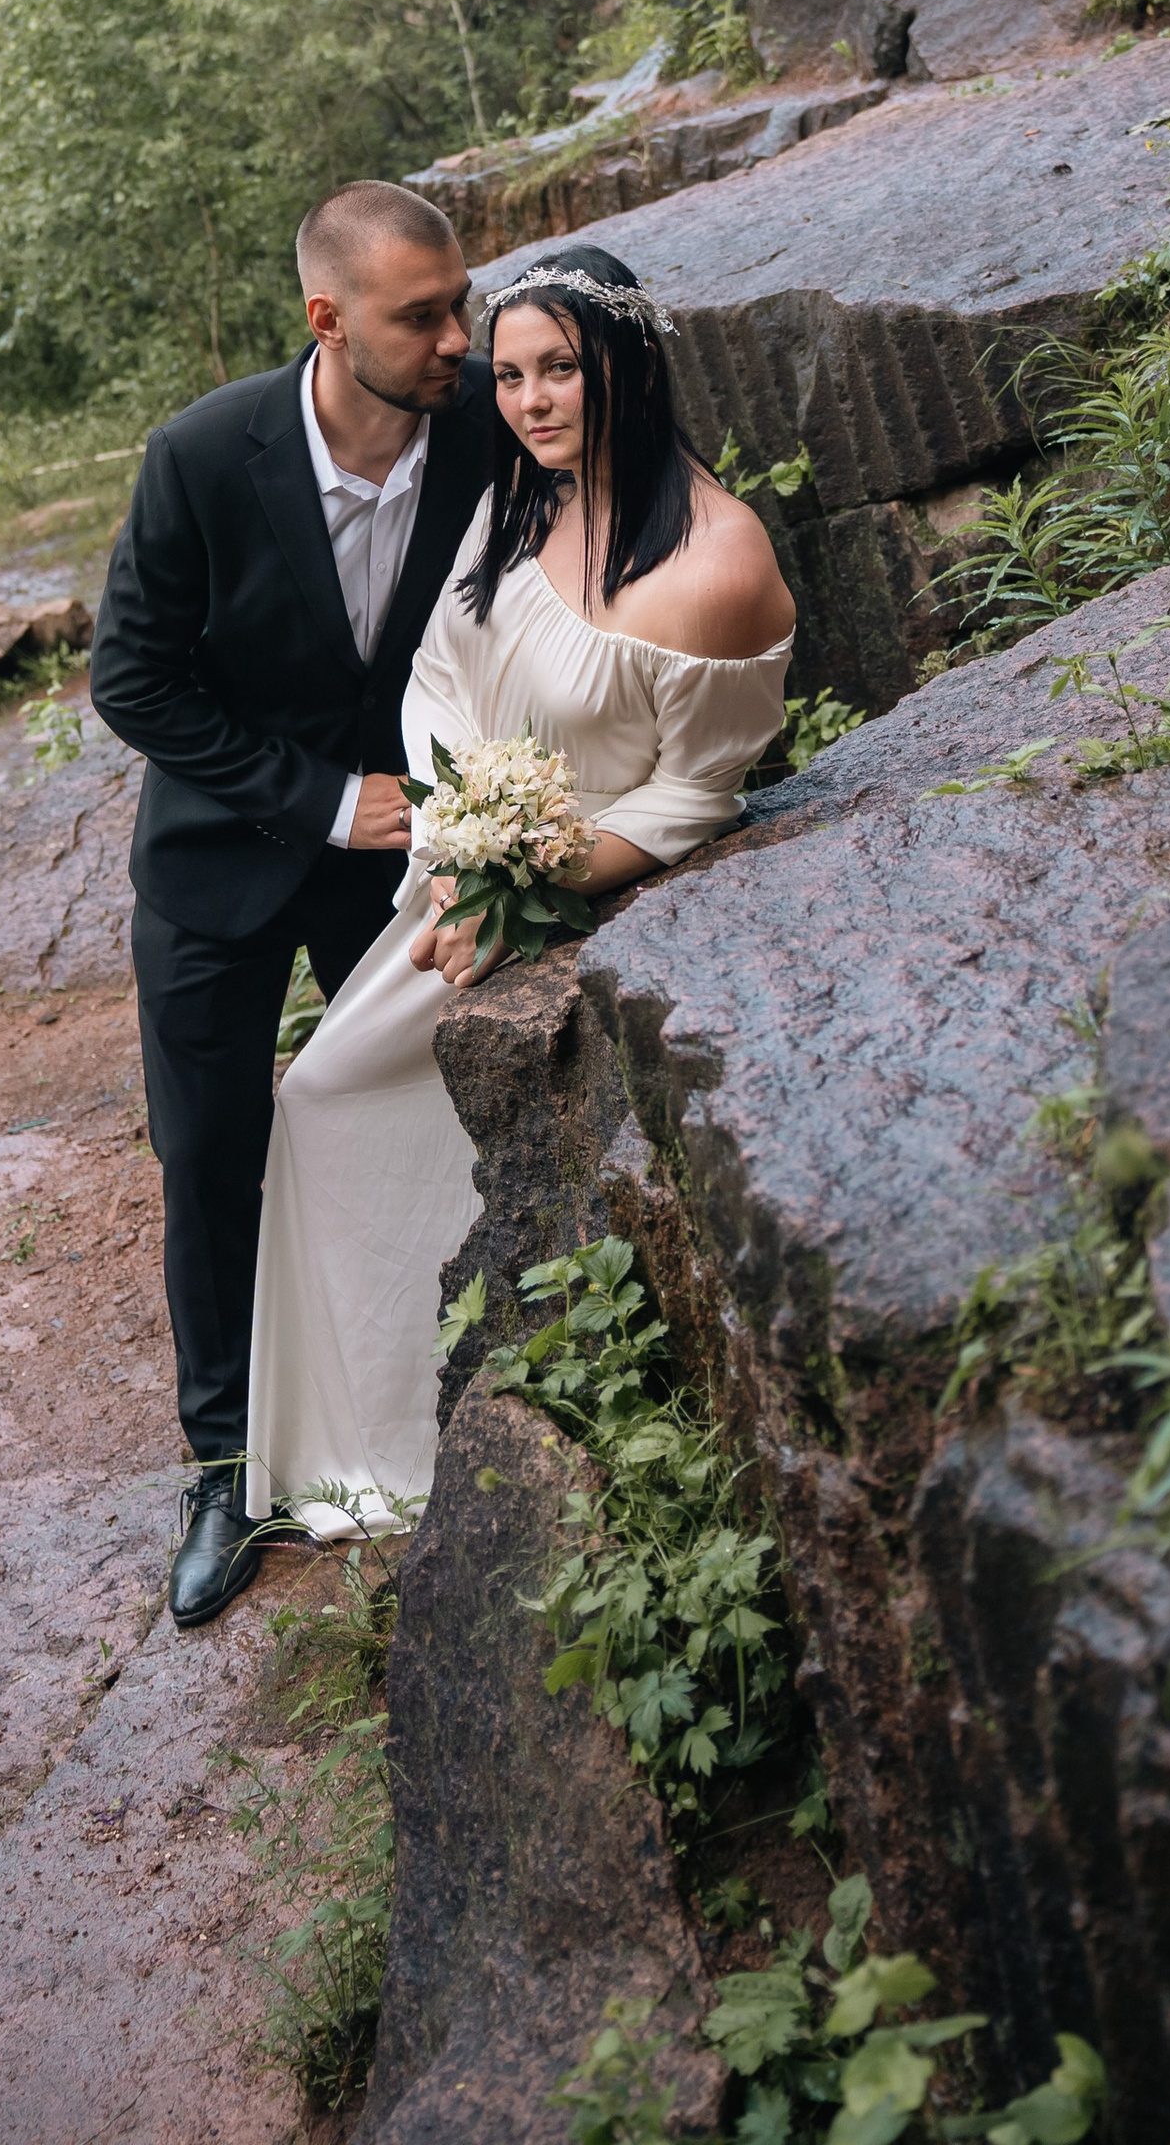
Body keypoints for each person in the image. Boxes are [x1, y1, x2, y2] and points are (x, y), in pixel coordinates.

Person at [243, 239, 793, 1540]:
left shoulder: (715, 567)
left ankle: (399, 1457)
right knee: (314, 1099)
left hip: (567, 877)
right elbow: (438, 670)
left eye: (563, 371)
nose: (533, 400)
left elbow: (696, 792)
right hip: (467, 858)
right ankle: (344, 1448)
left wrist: (535, 879)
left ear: (631, 367)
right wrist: (455, 830)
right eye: (511, 374)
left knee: (335, 1099)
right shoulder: (524, 498)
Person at [87, 180, 500, 1627]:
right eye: (424, 315)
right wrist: (324, 798)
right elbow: (131, 682)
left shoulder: (494, 427)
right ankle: (225, 1466)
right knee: (210, 1155)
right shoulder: (201, 456)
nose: (462, 336)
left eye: (464, 302)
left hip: (406, 853)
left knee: (430, 1101)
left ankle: (428, 1400)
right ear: (327, 321)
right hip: (221, 860)